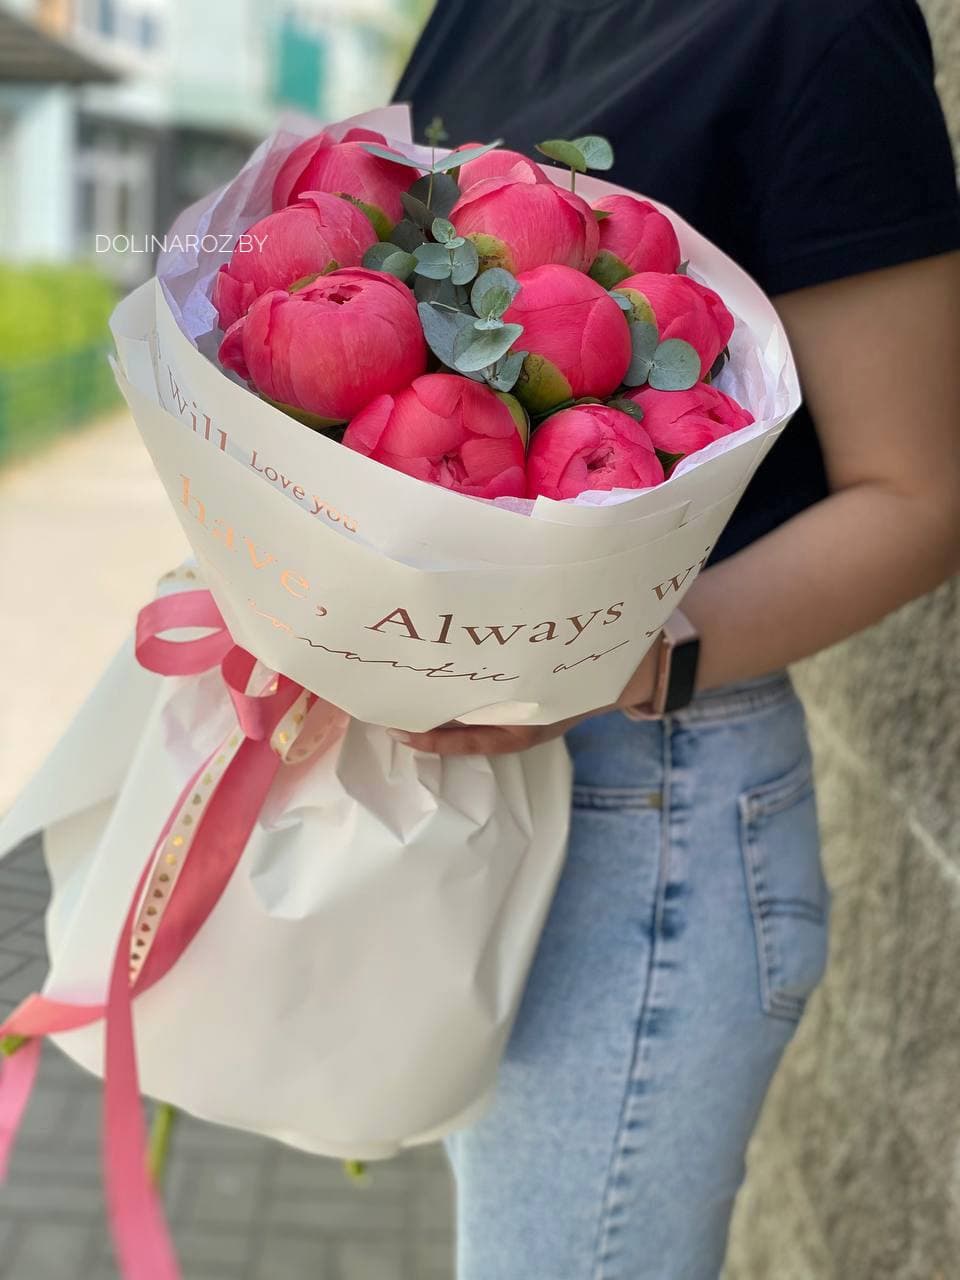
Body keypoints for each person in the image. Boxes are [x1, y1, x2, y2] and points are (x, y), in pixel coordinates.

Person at [392, 1, 960, 1276]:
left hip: (646, 795)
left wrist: (606, 656)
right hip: (463, 779)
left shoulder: (819, 31)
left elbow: (921, 495)